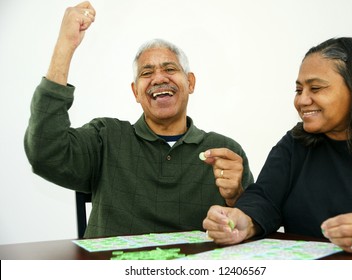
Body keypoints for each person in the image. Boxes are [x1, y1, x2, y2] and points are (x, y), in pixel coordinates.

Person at [24, 1, 253, 238]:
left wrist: (236, 195)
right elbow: (44, 151)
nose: (158, 78)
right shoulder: (106, 138)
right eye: (146, 73)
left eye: (170, 69)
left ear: (191, 83)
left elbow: (252, 228)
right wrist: (65, 46)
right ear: (135, 92)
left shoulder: (225, 152)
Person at [203, 37, 352, 255]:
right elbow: (264, 197)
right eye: (299, 90)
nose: (302, 101)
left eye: (316, 88)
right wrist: (243, 221)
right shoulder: (295, 143)